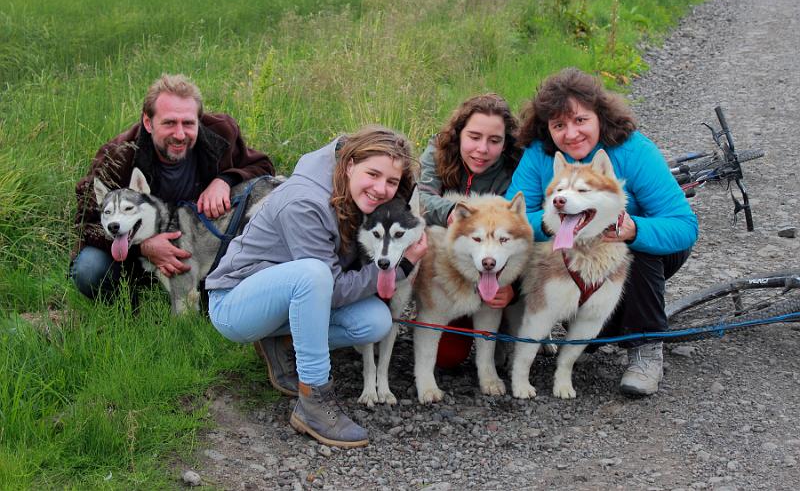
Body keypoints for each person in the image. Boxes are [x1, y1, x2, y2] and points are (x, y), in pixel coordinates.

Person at [204, 126, 427, 448]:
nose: (381, 189)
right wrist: (402, 267)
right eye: (373, 174)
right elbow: (331, 289)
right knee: (314, 273)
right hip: (236, 305)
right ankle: (314, 400)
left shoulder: (355, 192)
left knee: (375, 322)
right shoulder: (305, 202)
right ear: (350, 165)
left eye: (391, 181)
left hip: (292, 300)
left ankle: (281, 342)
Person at [506, 67, 698, 396]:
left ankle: (646, 347)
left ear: (599, 116)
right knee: (544, 257)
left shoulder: (634, 151)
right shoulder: (539, 154)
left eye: (580, 120)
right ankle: (584, 326)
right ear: (547, 128)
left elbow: (684, 226)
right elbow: (512, 217)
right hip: (572, 253)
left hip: (636, 247)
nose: (571, 134)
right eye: (558, 125)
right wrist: (553, 224)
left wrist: (635, 229)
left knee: (635, 254)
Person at [71, 73, 275, 301]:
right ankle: (132, 307)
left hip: (203, 248)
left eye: (188, 123)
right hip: (132, 254)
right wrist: (142, 247)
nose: (180, 134)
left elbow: (263, 167)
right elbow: (85, 223)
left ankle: (215, 292)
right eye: (169, 123)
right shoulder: (118, 156)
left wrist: (225, 180)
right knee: (90, 268)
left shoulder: (221, 133)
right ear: (148, 122)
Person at [418, 93, 522, 368]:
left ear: (506, 142)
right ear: (459, 133)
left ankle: (506, 329)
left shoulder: (514, 168)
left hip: (494, 265)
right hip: (448, 269)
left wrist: (514, 287)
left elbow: (524, 233)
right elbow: (421, 198)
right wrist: (451, 212)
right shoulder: (438, 151)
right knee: (448, 357)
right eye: (474, 137)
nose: (482, 149)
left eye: (494, 141)